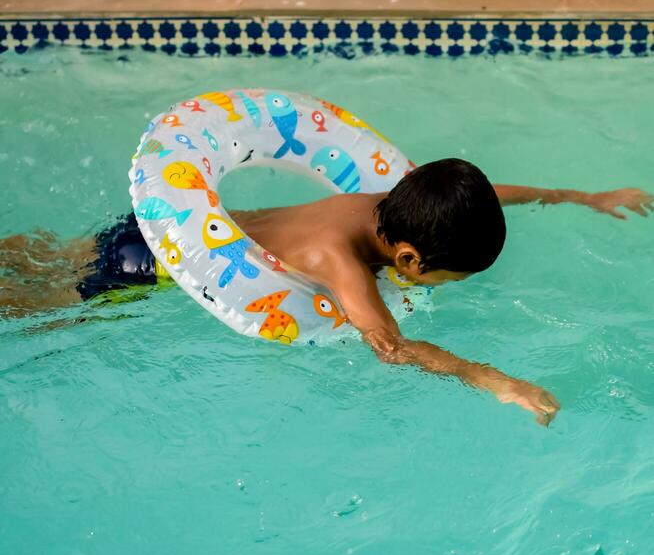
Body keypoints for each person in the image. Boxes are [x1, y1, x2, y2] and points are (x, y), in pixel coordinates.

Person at [1, 159, 651, 423]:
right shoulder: (340, 263)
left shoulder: (387, 201)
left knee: (33, 259)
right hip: (139, 275)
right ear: (408, 258)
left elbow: (479, 188)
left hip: (147, 227)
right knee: (36, 307)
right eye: (447, 278)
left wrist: (580, 197)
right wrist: (490, 378)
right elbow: (388, 345)